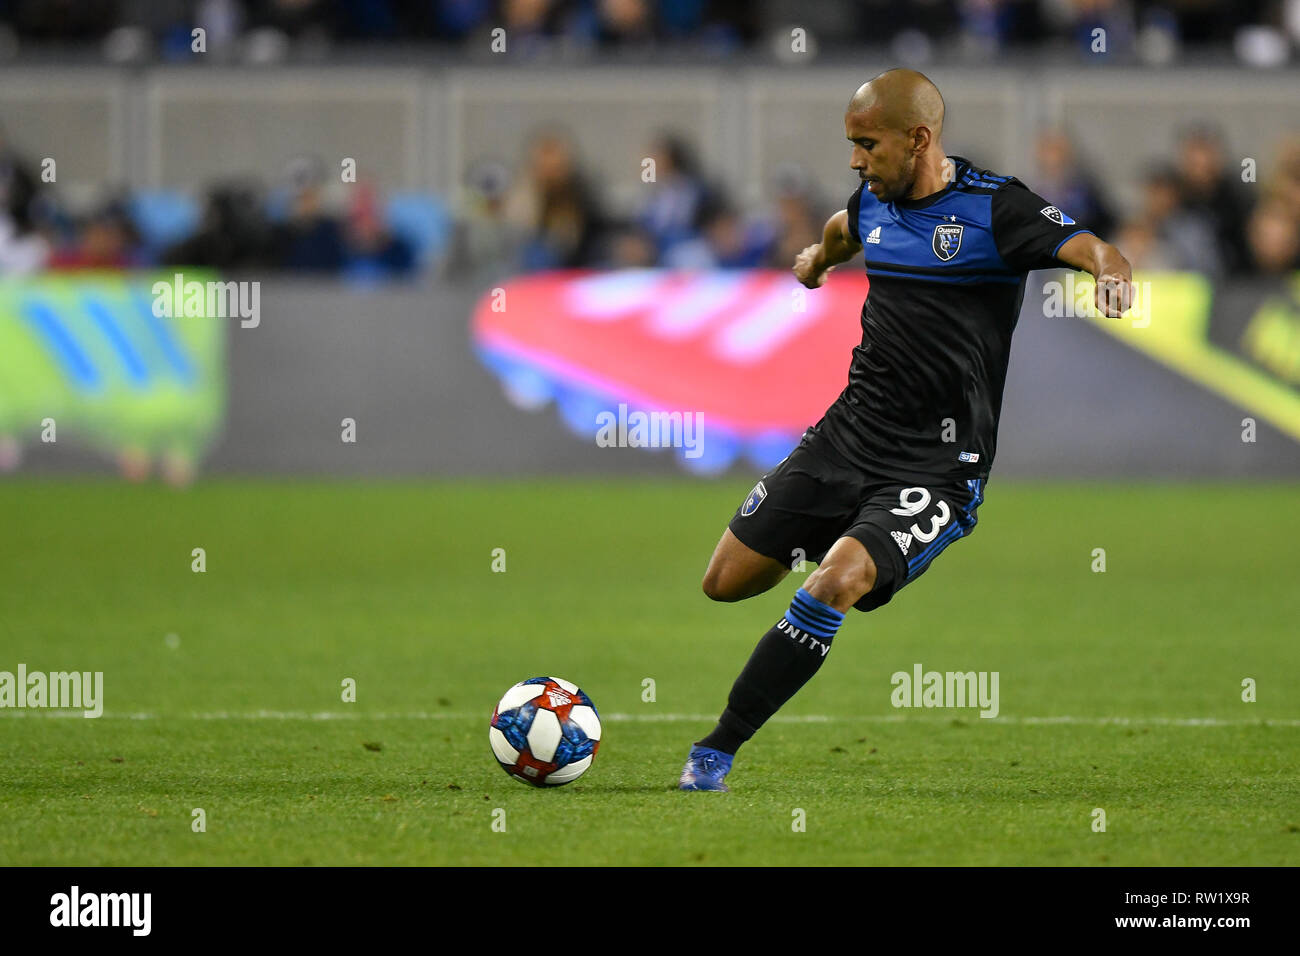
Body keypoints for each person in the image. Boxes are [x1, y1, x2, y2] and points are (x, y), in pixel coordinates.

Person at [678, 68, 1133, 792]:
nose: (855, 160)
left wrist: (1112, 274)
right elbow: (842, 229)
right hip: (847, 436)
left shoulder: (996, 210)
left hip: (937, 468)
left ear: (918, 139)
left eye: (867, 144)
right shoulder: (875, 203)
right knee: (724, 583)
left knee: (835, 584)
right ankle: (847, 532)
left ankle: (714, 752)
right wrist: (816, 261)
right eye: (851, 145)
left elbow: (1091, 247)